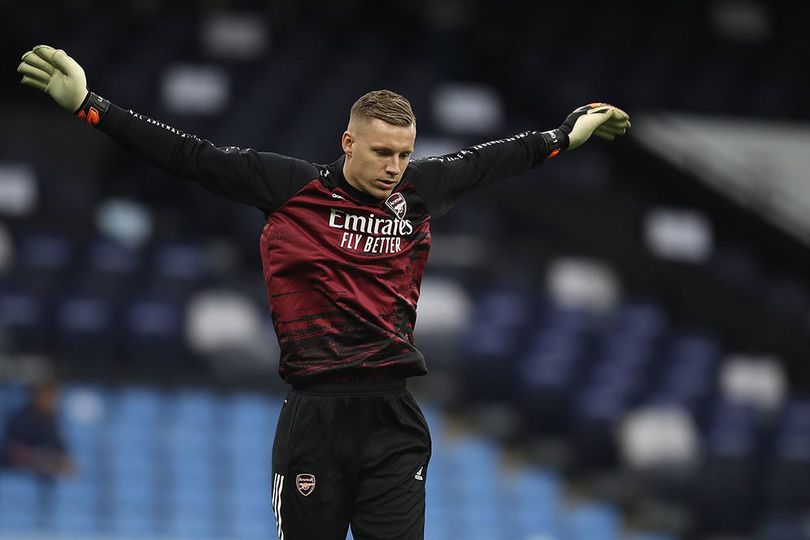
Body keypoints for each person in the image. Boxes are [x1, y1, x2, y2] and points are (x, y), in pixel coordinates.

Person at [17, 45, 630, 539]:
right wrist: (90, 106)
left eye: (404, 154)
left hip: (393, 416)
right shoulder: (290, 188)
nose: (395, 166)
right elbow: (189, 157)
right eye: (383, 151)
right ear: (348, 142)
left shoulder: (416, 194)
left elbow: (491, 160)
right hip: (315, 414)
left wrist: (563, 135)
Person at [1, 377, 73, 478]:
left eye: (54, 396)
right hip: (16, 467)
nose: (52, 400)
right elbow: (11, 450)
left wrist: (62, 460)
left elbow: (60, 449)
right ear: (37, 395)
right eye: (47, 396)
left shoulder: (51, 421)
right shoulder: (18, 418)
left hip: (45, 466)